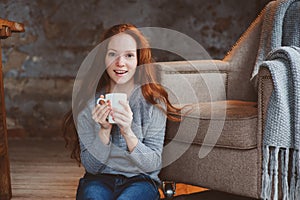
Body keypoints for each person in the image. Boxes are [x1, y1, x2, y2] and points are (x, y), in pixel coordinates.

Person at [63, 23, 182, 200]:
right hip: (98, 179)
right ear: (103, 58)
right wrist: (103, 131)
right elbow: (92, 167)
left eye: (129, 55)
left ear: (139, 60)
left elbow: (153, 164)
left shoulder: (154, 103)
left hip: (141, 180)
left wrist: (127, 131)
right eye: (112, 54)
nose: (120, 63)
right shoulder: (89, 103)